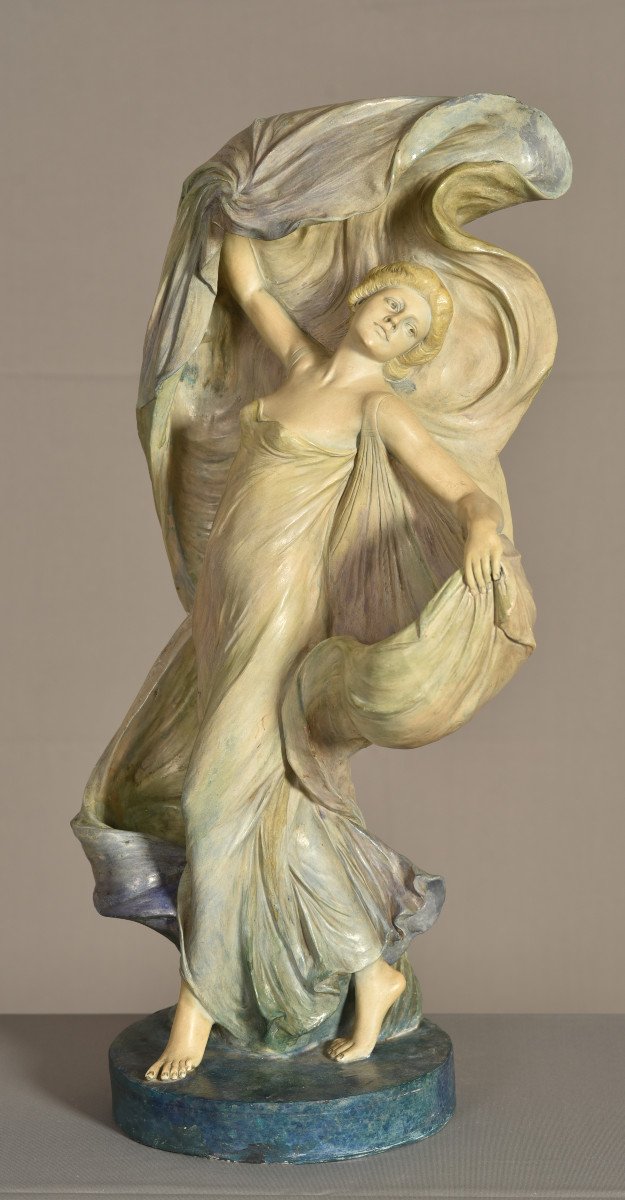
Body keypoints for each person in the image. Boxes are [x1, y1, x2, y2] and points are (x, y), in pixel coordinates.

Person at [145, 234, 504, 1082]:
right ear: (361, 298)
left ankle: (197, 1010)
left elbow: (460, 488)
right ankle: (371, 969)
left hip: (280, 610)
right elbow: (247, 282)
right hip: (224, 604)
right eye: (390, 303)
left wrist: (484, 526)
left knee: (210, 800)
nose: (391, 322)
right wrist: (236, 199)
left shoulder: (378, 407)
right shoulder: (302, 362)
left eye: (408, 326)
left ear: (407, 351)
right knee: (277, 806)